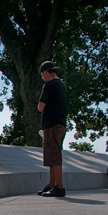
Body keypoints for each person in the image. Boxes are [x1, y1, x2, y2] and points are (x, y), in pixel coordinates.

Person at [37, 61, 68, 197]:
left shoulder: (49, 85)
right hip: (61, 124)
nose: (42, 78)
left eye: (42, 75)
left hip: (52, 125)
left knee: (54, 157)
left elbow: (40, 107)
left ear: (46, 72)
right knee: (51, 156)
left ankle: (59, 187)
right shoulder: (62, 85)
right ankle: (51, 185)